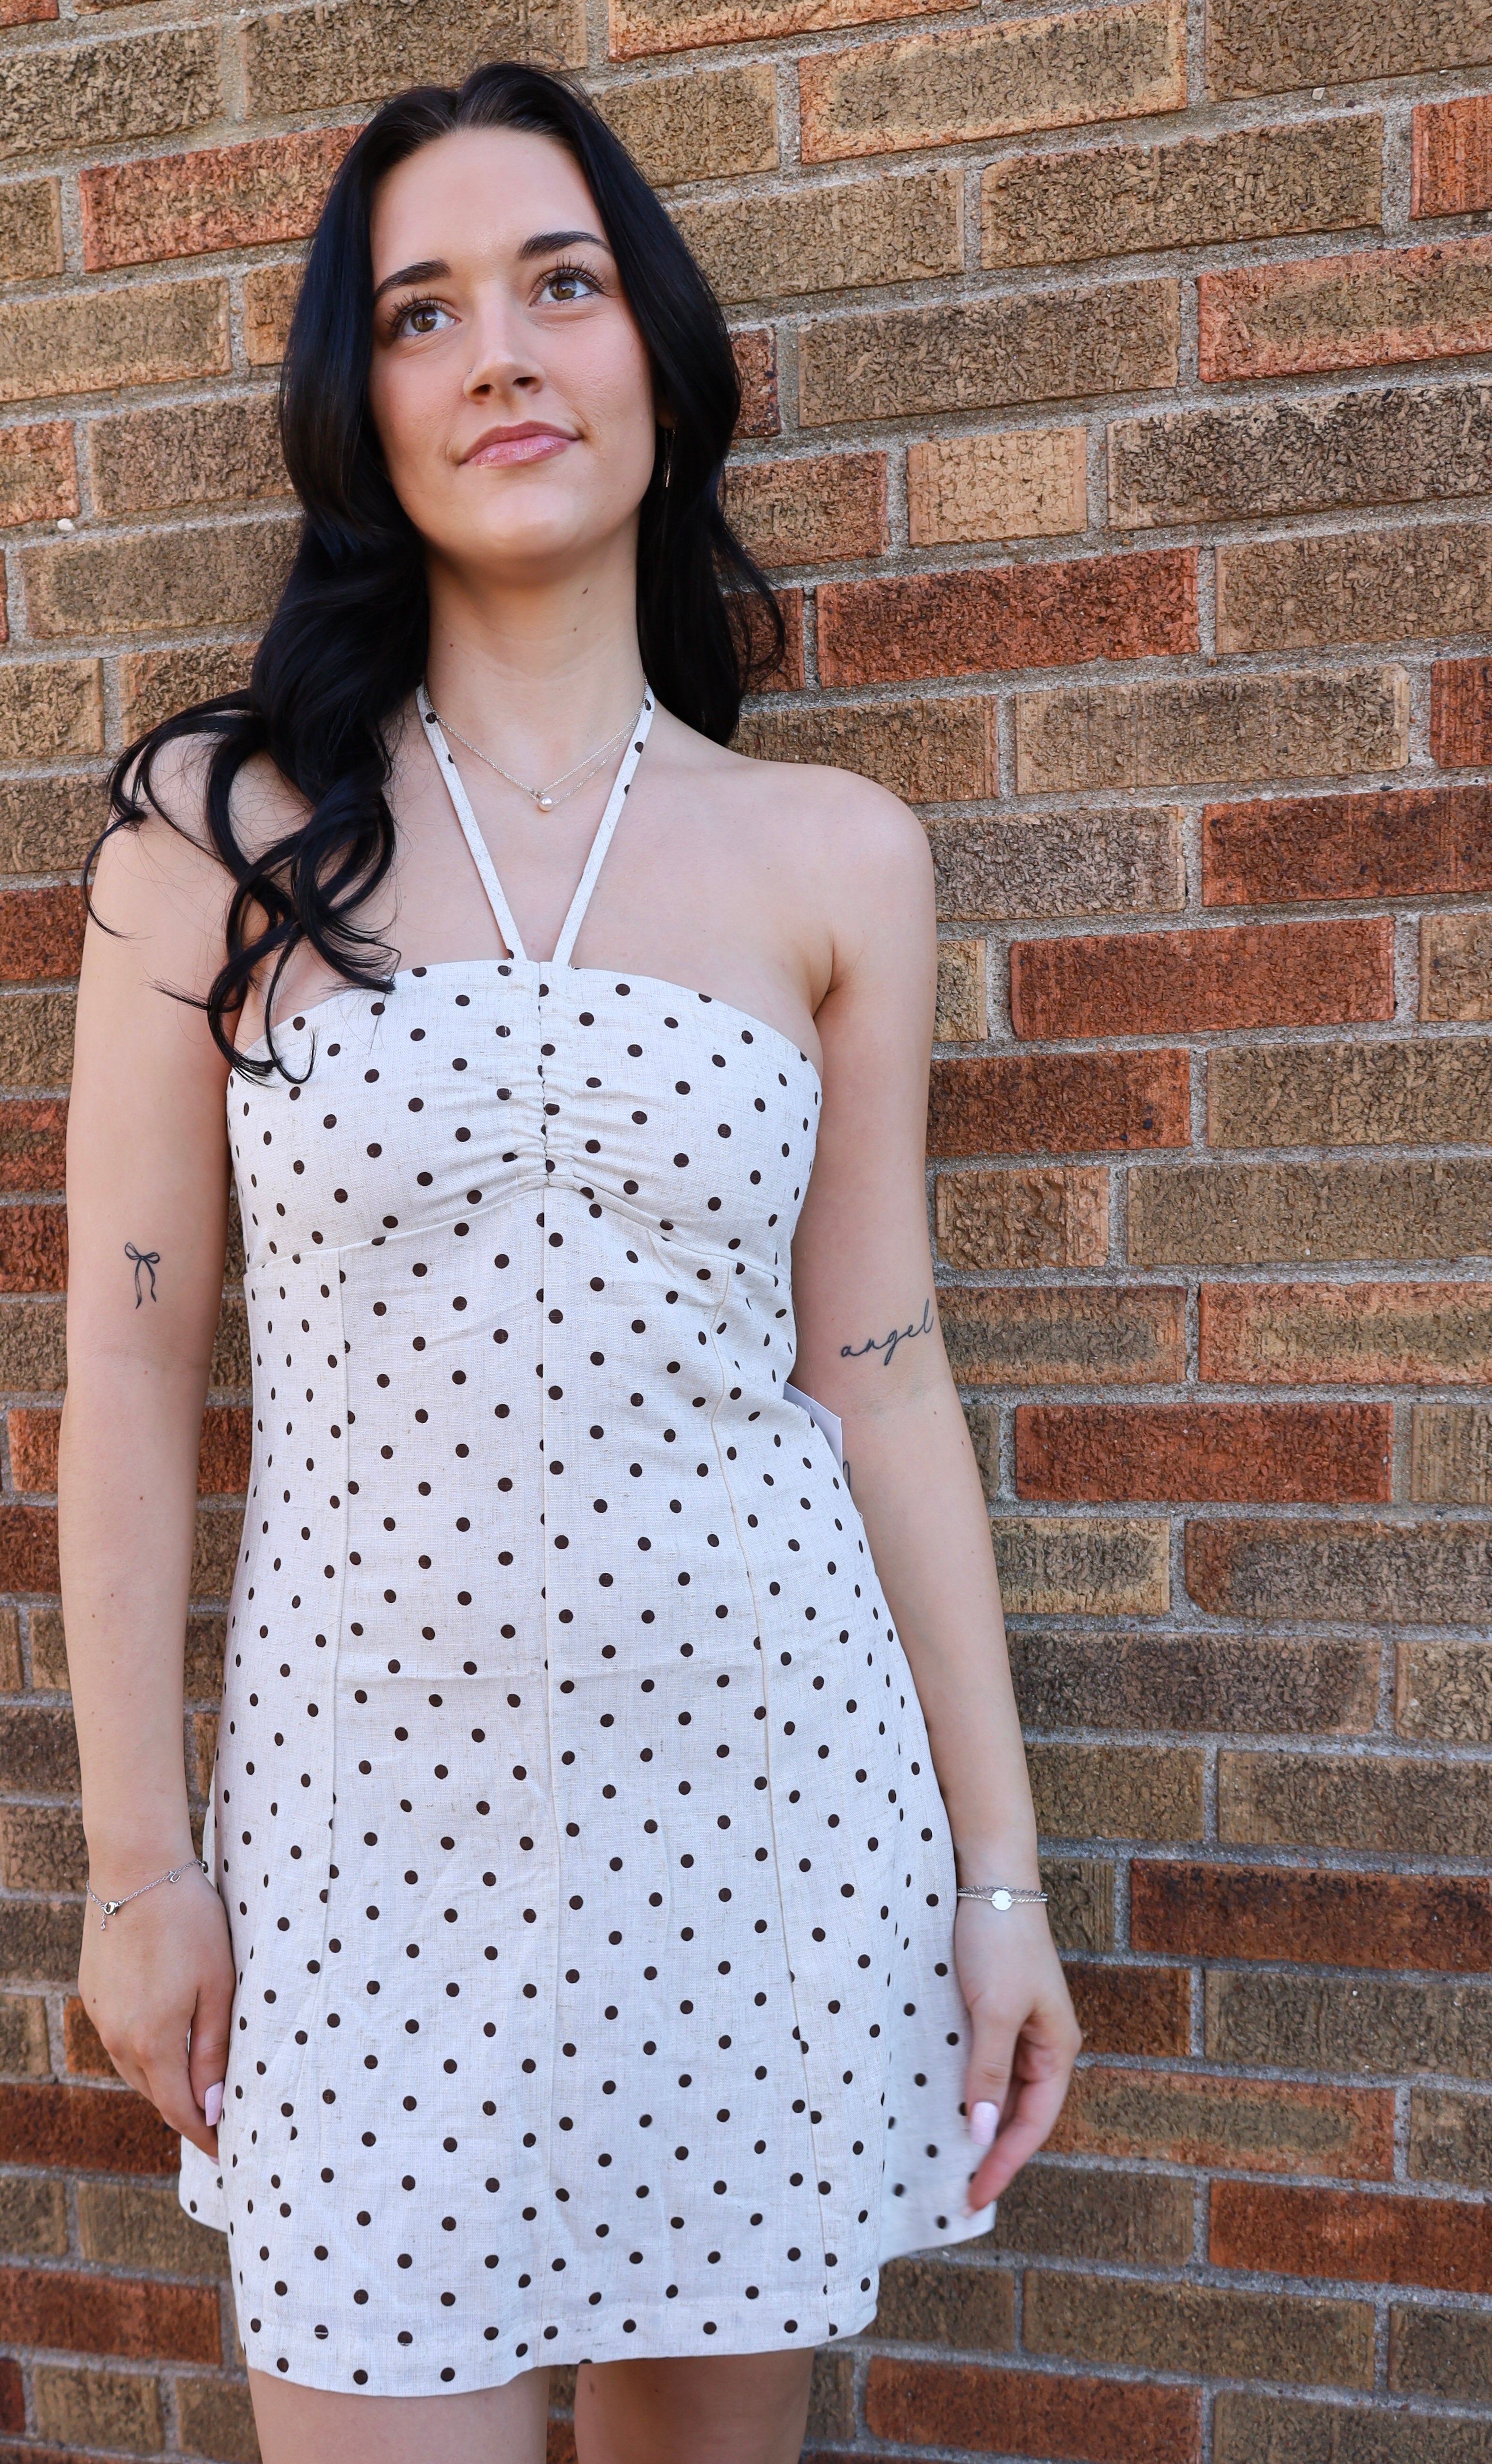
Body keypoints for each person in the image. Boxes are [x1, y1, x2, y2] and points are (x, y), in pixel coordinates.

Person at [60, 59, 1079, 2464]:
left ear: (659, 363)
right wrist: (134, 1864)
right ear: (360, 403)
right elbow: (128, 1372)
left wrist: (1000, 1882)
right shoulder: (216, 835)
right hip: (363, 1848)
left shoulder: (831, 850)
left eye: (560, 284)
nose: (500, 353)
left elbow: (880, 1373)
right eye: (423, 310)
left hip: (760, 1822)